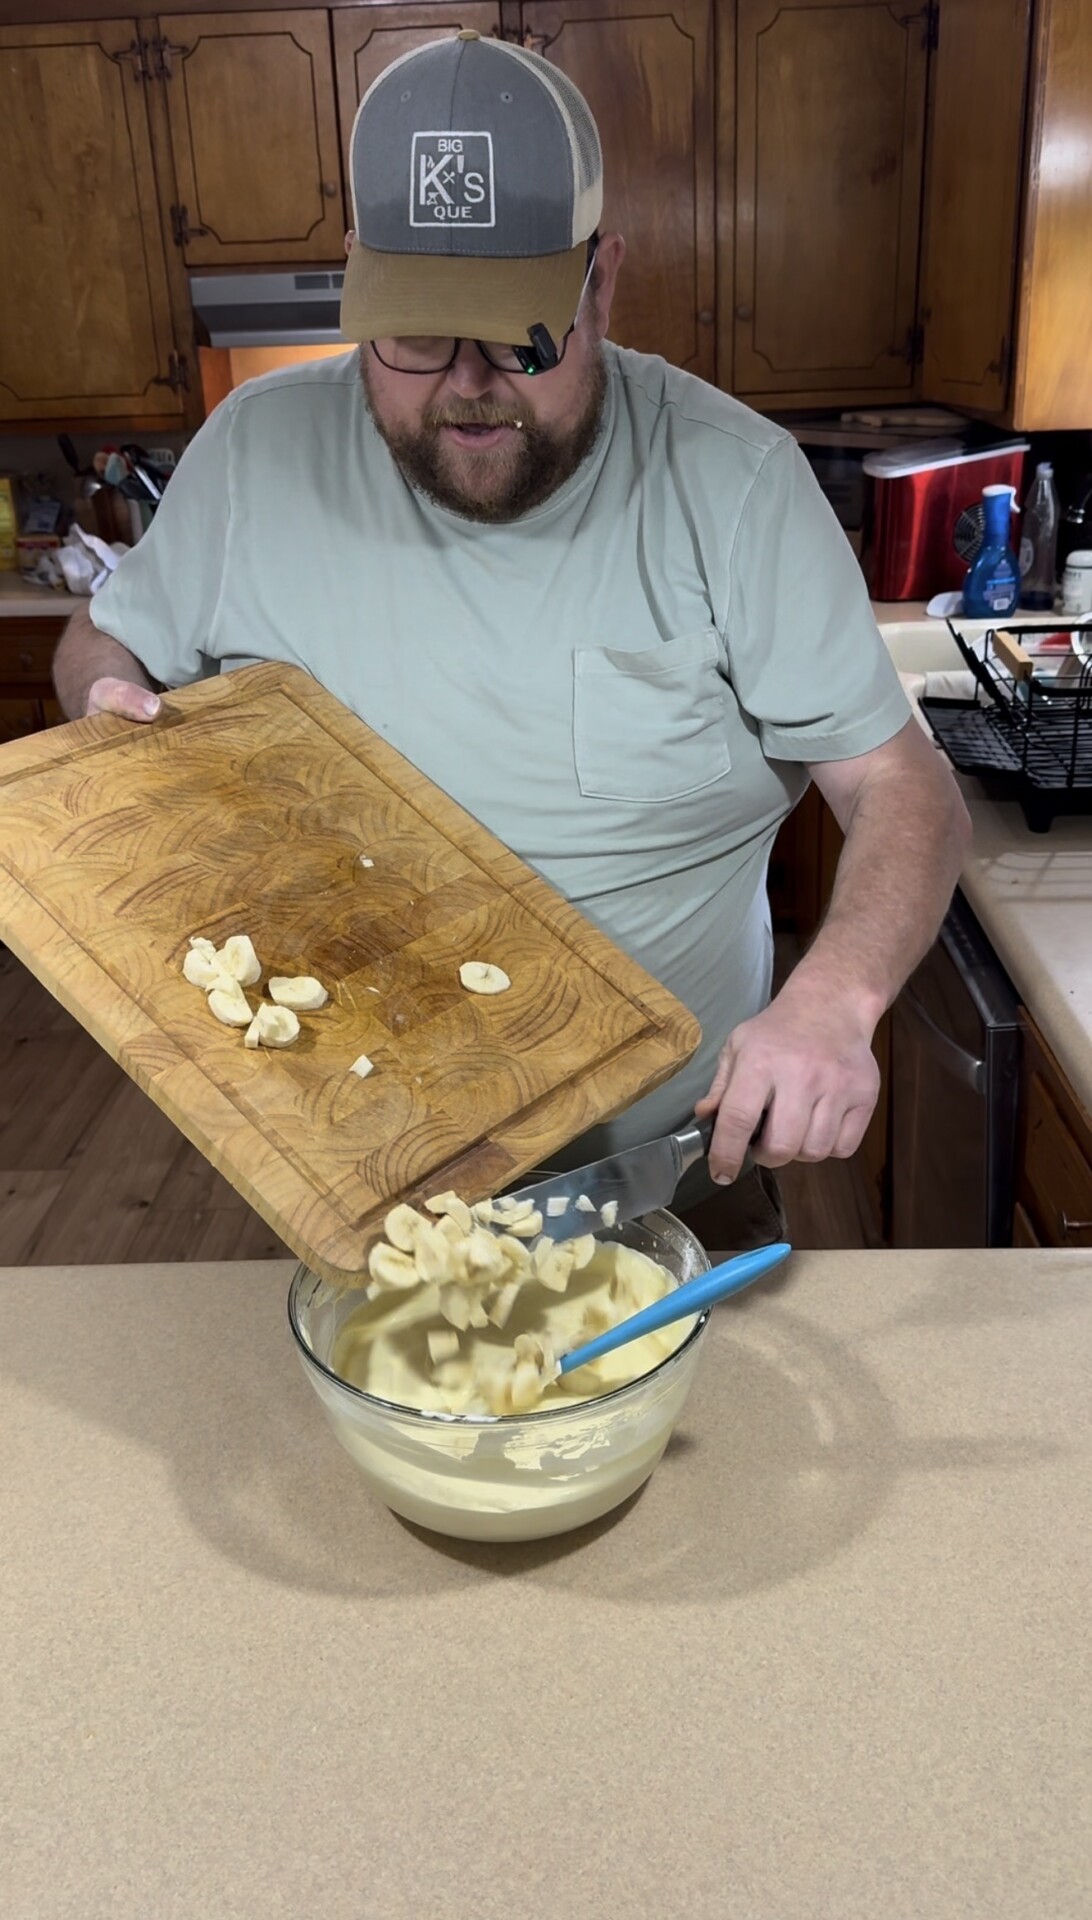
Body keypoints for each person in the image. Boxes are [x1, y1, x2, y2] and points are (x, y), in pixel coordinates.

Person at [53, 30, 970, 1246]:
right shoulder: (249, 454)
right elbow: (99, 647)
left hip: (667, 1171)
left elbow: (906, 786)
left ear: (604, 283)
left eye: (519, 335)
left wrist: (836, 1001)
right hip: (340, 1169)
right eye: (418, 336)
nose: (468, 387)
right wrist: (107, 704)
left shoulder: (737, 484)